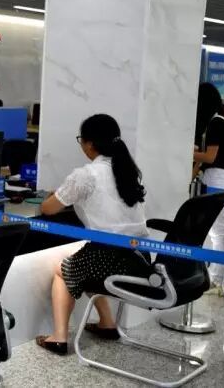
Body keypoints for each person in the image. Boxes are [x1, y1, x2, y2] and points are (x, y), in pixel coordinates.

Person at [36, 114, 149, 355]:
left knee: (64, 270)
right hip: (139, 259)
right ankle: (107, 323)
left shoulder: (86, 174)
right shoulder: (127, 170)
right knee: (86, 262)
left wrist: (57, 195)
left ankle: (58, 337)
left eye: (81, 140)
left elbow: (47, 209)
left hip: (109, 259)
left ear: (89, 144)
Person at [193, 83, 224, 293]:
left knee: (218, 233)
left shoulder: (216, 123)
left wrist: (186, 151)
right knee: (218, 231)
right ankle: (216, 278)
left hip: (219, 180)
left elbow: (210, 157)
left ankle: (216, 281)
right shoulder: (223, 120)